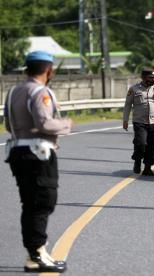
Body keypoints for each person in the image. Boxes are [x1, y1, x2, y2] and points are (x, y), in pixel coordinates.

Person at [4, 51, 72, 273]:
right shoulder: (41, 91)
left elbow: (8, 125)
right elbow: (44, 123)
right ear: (49, 70)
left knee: (31, 204)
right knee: (42, 203)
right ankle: (37, 254)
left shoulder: (13, 91)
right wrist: (66, 125)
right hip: (38, 154)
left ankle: (35, 252)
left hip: (17, 151)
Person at [123, 68, 154, 175]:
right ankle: (137, 161)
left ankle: (147, 168)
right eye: (150, 77)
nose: (153, 79)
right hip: (140, 122)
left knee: (152, 145)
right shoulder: (134, 89)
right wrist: (125, 120)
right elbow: (127, 105)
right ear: (143, 78)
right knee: (141, 144)